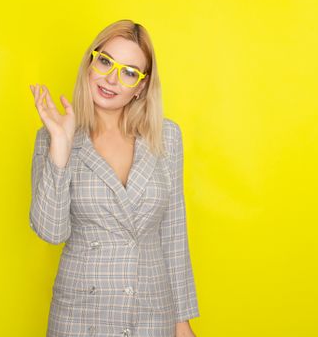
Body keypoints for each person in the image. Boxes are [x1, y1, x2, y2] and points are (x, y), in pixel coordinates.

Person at [29, 19, 199, 337]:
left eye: (129, 72)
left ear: (142, 86)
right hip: (81, 315)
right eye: (105, 61)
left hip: (151, 312)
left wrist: (182, 321)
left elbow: (174, 233)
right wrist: (61, 147)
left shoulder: (166, 137)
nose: (111, 79)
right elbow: (51, 231)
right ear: (90, 62)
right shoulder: (54, 136)